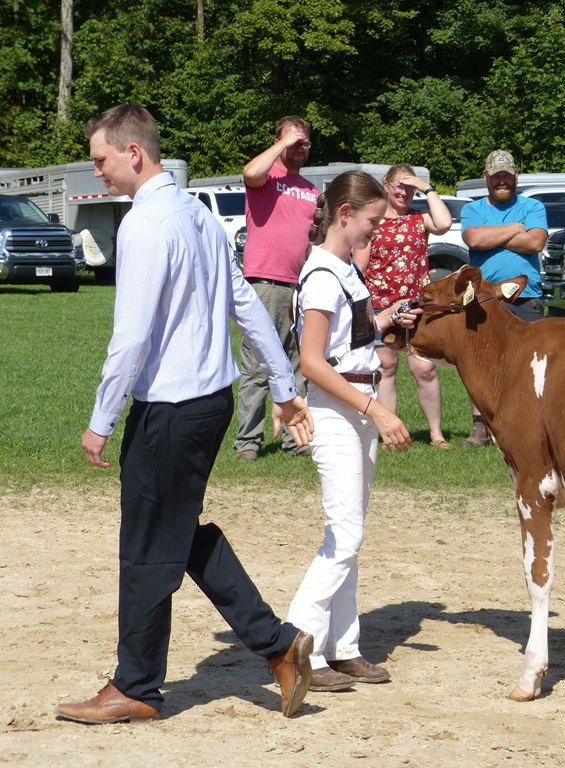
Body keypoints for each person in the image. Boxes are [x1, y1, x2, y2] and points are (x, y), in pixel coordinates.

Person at [57, 105, 318, 725]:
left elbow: (131, 337)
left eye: (101, 159)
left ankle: (136, 686)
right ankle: (277, 644)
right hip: (211, 406)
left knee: (146, 546)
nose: (98, 172)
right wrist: (282, 386)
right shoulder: (199, 213)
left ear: (133, 153)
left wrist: (102, 418)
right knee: (177, 533)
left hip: (170, 410)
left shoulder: (145, 225)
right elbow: (245, 303)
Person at [286, 170, 419, 691]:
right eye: (372, 221)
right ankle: (297, 644)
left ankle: (343, 647)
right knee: (345, 534)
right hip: (339, 409)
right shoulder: (322, 275)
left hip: (355, 406)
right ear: (345, 215)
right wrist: (376, 410)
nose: (376, 231)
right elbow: (313, 362)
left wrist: (387, 317)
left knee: (349, 533)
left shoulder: (343, 269)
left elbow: (349, 339)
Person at [234, 115, 319, 461]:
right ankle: (248, 443)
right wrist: (285, 141)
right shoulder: (266, 177)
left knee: (297, 364)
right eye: (293, 142)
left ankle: (295, 440)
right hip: (264, 282)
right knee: (258, 364)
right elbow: (250, 172)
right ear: (278, 142)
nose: (299, 148)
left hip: (300, 287)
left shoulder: (311, 190)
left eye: (304, 142)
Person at [353, 163, 454, 449]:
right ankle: (390, 434)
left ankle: (436, 435)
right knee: (386, 368)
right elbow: (360, 267)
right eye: (399, 186)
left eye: (410, 188)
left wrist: (427, 188)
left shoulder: (419, 218)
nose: (404, 193)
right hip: (381, 307)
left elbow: (444, 224)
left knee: (425, 370)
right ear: (385, 186)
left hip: (417, 307)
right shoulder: (373, 223)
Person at [458, 149, 548, 447]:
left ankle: (530, 422)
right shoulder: (472, 210)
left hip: (526, 297)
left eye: (507, 176)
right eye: (496, 177)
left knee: (528, 362)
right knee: (479, 362)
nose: (502, 182)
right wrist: (515, 229)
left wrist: (493, 238)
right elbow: (474, 239)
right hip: (483, 298)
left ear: (515, 176)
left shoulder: (533, 206)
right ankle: (480, 426)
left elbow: (535, 243)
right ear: (486, 177)